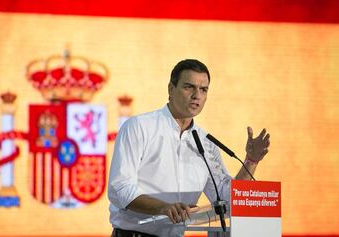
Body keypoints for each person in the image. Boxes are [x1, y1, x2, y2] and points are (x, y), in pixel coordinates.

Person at [108, 59, 270, 237]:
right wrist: (163, 208)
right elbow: (120, 189)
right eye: (189, 87)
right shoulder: (139, 127)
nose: (197, 95)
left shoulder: (206, 142)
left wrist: (251, 161)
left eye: (203, 90)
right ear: (171, 89)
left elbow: (226, 197)